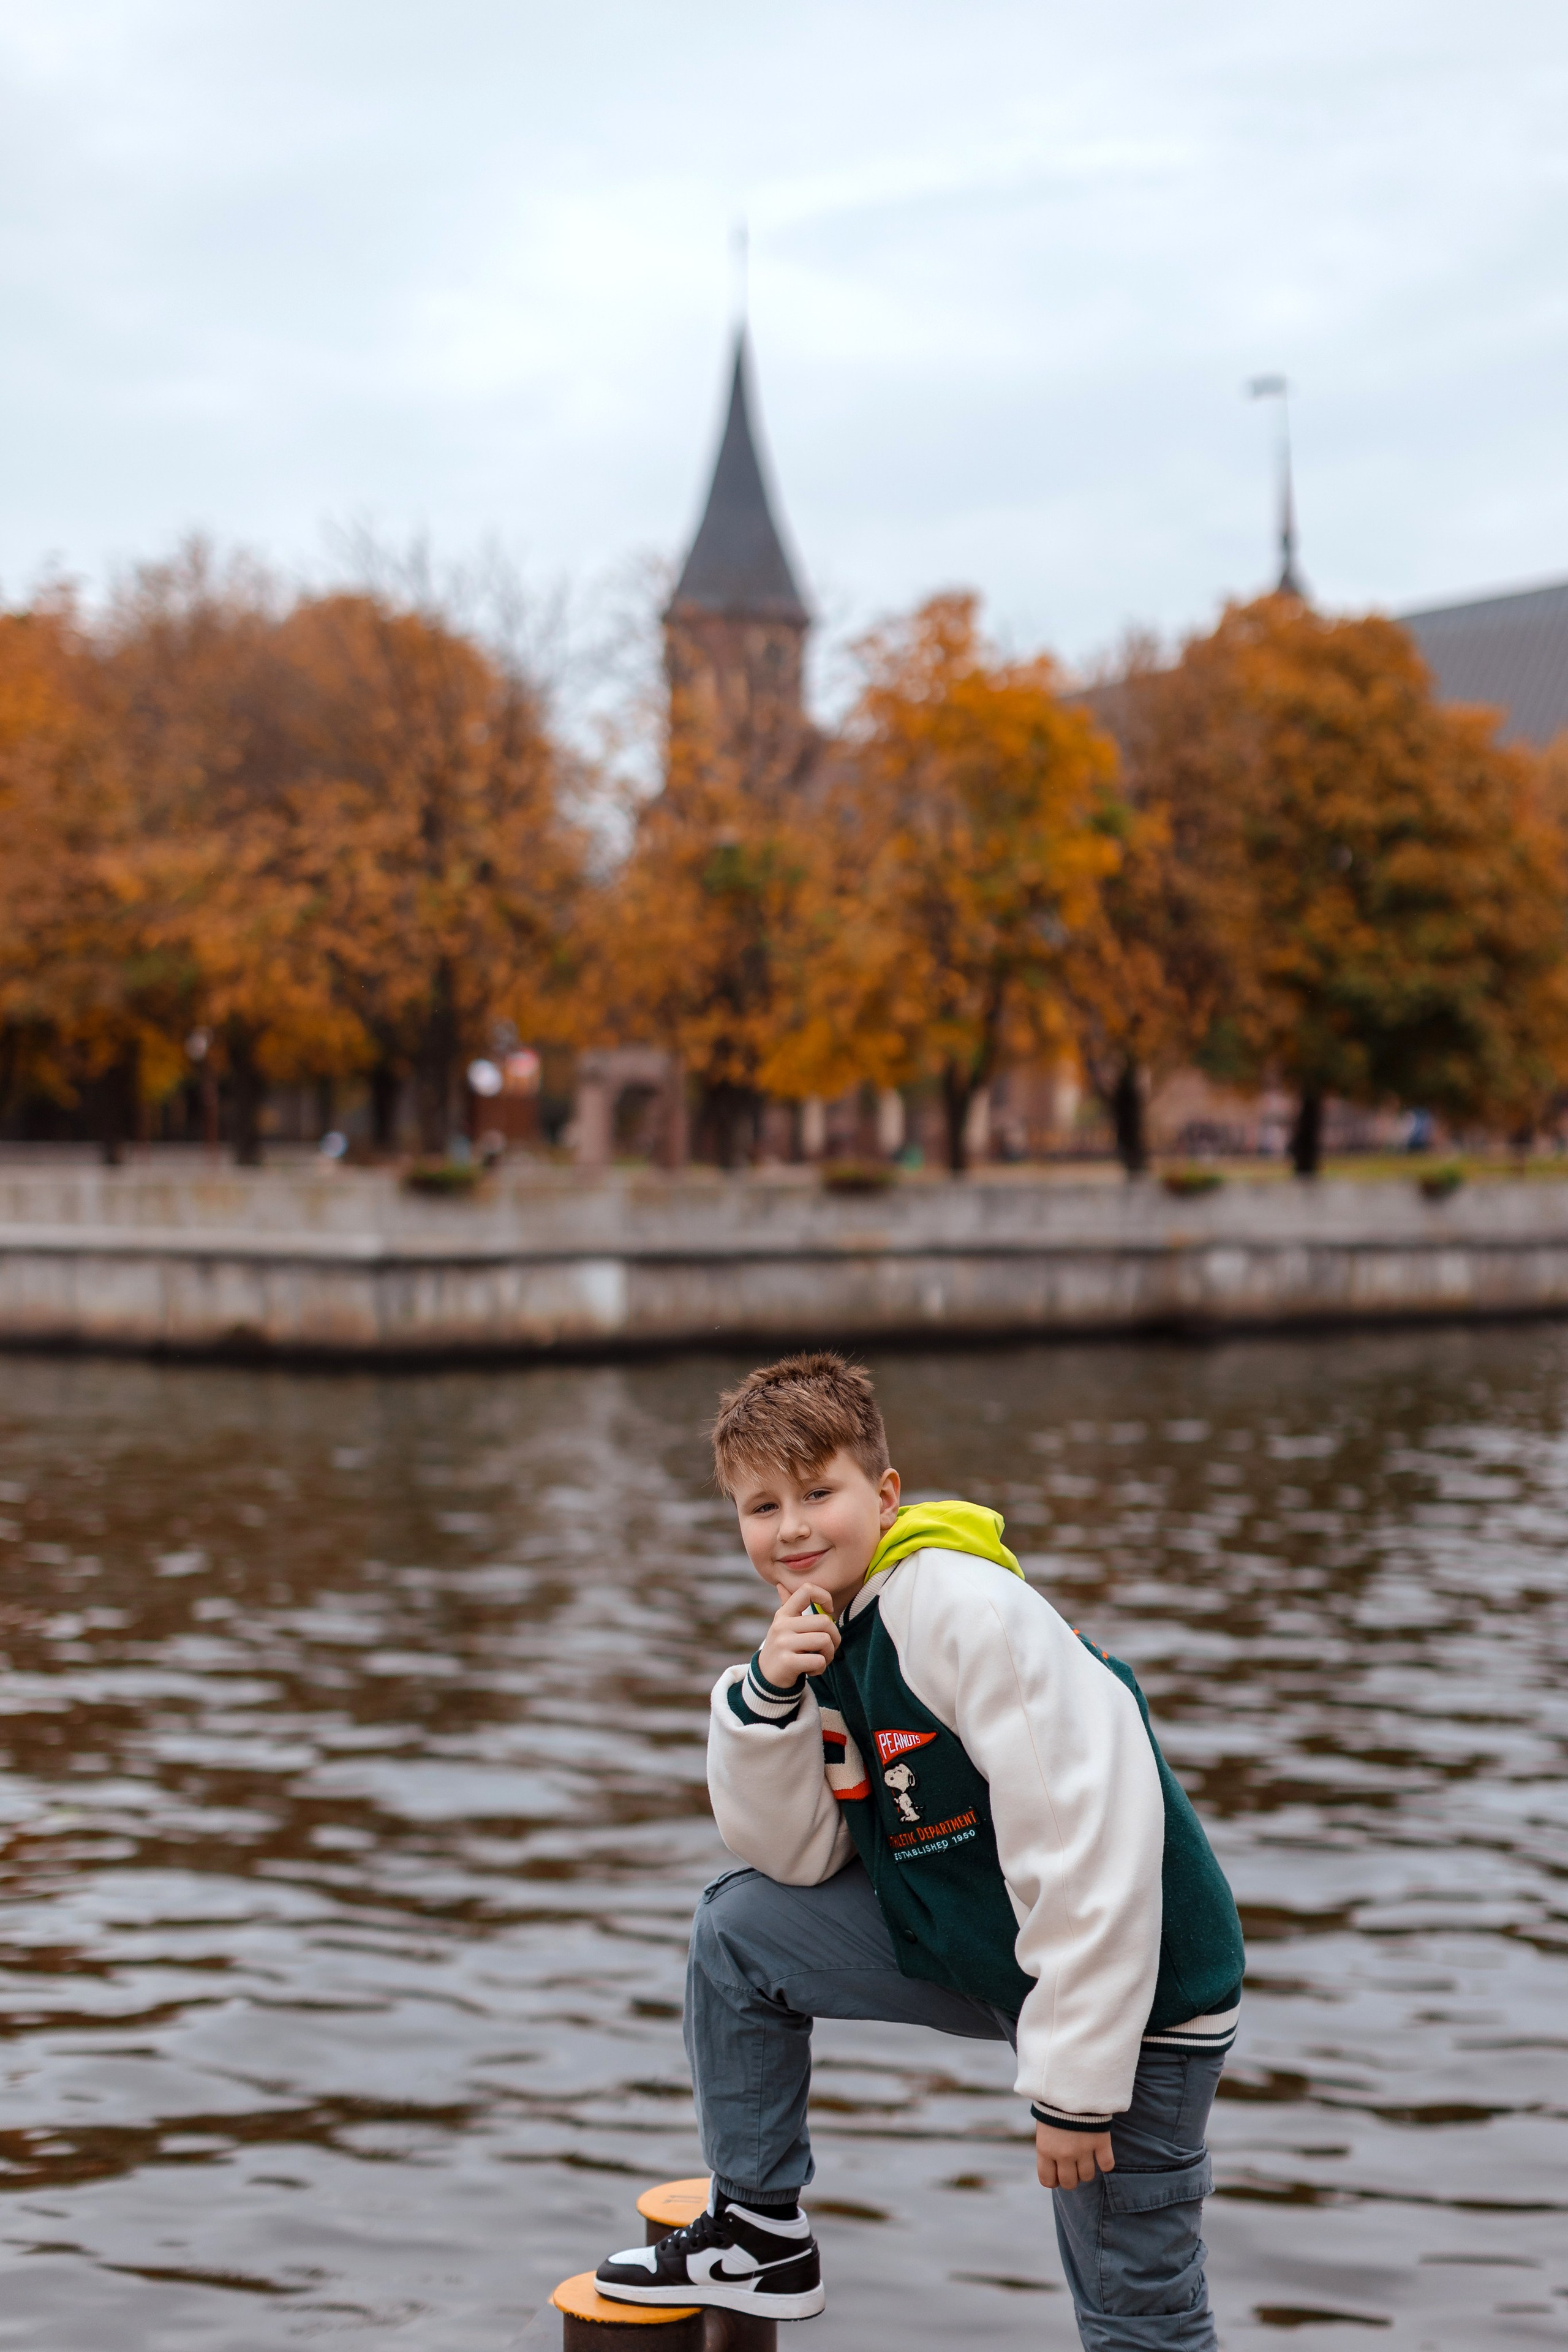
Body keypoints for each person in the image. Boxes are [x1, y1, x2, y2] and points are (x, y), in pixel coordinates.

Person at [595, 1353, 1243, 2348]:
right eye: (762, 1507)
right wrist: (766, 1701)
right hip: (997, 1952)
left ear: (885, 1494)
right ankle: (762, 2229)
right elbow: (800, 1859)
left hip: (1138, 1992)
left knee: (1136, 2312)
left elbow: (1086, 1829)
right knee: (740, 1933)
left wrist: (1075, 2086)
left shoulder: (956, 1605)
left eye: (820, 1492)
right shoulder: (825, 1632)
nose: (794, 1527)